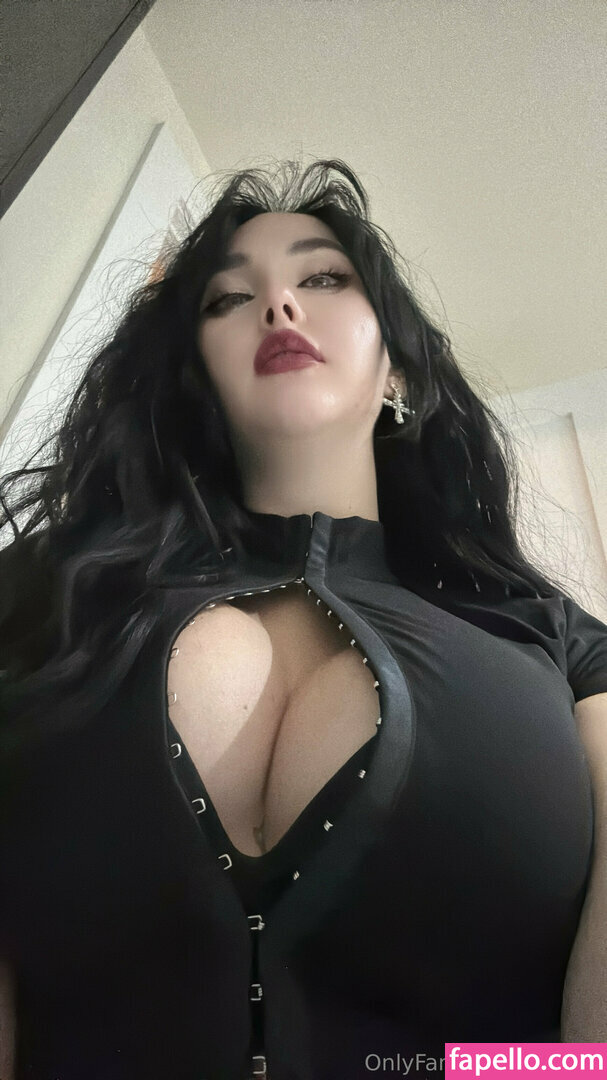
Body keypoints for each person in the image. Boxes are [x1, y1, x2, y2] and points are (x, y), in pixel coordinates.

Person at [0, 158, 606, 1079]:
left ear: (396, 365)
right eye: (228, 299)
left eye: (322, 278)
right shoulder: (48, 591)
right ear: (194, 376)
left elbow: (582, 1058)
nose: (278, 305)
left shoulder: (556, 639)